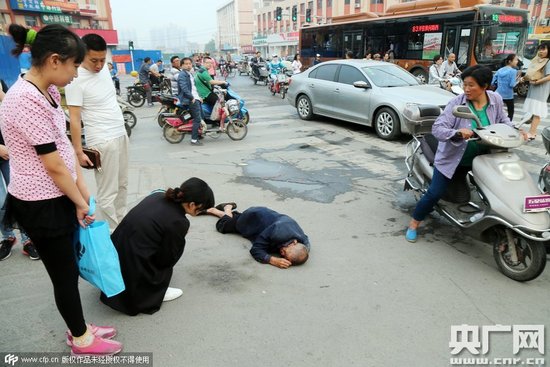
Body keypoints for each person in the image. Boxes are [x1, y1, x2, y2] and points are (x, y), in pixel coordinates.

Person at [0, 24, 122, 356]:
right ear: (56, 60)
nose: (75, 75)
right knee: (64, 274)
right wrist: (80, 201)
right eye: (74, 66)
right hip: (41, 202)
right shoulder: (24, 99)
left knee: (68, 265)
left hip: (60, 194)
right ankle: (81, 339)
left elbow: (65, 148)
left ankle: (79, 327)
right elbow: (52, 165)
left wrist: (82, 191)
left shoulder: (49, 91)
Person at [404, 65, 526, 243]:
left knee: (501, 189)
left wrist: (518, 130)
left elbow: (503, 121)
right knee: (434, 193)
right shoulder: (457, 103)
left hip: (484, 159)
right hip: (453, 159)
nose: (466, 89)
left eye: (471, 85)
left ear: (485, 86)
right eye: (464, 84)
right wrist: (457, 133)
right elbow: (438, 128)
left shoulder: (496, 99)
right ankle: (414, 224)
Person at [100, 178, 214, 316]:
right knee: (169, 251)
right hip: (133, 270)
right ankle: (153, 291)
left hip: (113, 259)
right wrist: (181, 239)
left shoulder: (158, 195)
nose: (201, 212)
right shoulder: (178, 222)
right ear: (191, 204)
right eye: (201, 209)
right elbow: (166, 259)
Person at [65, 34, 129, 233]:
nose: (99, 65)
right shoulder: (74, 79)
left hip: (120, 133)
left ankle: (124, 227)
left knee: (122, 185)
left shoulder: (103, 71)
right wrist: (78, 152)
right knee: (108, 192)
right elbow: (75, 119)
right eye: (94, 60)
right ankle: (113, 234)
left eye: (103, 60)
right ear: (82, 55)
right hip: (101, 140)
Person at [0, 79, 38, 261]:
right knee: (0, 202)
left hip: (9, 152)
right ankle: (8, 236)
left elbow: (11, 110)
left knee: (19, 198)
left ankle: (27, 239)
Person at [207, 204, 310, 269]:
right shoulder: (274, 232)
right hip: (251, 218)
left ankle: (231, 214)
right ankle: (226, 208)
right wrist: (272, 260)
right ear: (294, 242)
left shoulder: (302, 240)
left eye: (284, 256)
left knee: (236, 219)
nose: (281, 254)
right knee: (223, 226)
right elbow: (256, 249)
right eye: (285, 252)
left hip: (266, 215)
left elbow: (304, 249)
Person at [523, 42, 550, 141]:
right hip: (534, 88)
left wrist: (538, 81)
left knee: (537, 112)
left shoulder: (548, 62)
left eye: (543, 49)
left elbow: (549, 77)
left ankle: (532, 133)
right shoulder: (538, 61)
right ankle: (531, 129)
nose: (541, 51)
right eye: (540, 49)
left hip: (541, 90)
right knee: (533, 111)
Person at [178, 57, 204, 146]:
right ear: (182, 65)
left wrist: (199, 97)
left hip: (195, 98)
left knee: (200, 116)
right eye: (186, 64)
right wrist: (191, 97)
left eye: (190, 63)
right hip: (190, 99)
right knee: (197, 119)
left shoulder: (189, 74)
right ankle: (194, 139)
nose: (188, 65)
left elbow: (194, 88)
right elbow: (184, 88)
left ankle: (198, 134)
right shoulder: (182, 75)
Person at [491, 54, 522, 120]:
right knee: (510, 112)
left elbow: (493, 82)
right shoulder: (513, 71)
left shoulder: (500, 70)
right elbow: (512, 85)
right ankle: (508, 125)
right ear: (510, 61)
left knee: (497, 111)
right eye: (516, 60)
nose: (517, 61)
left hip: (498, 93)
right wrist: (519, 81)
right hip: (508, 95)